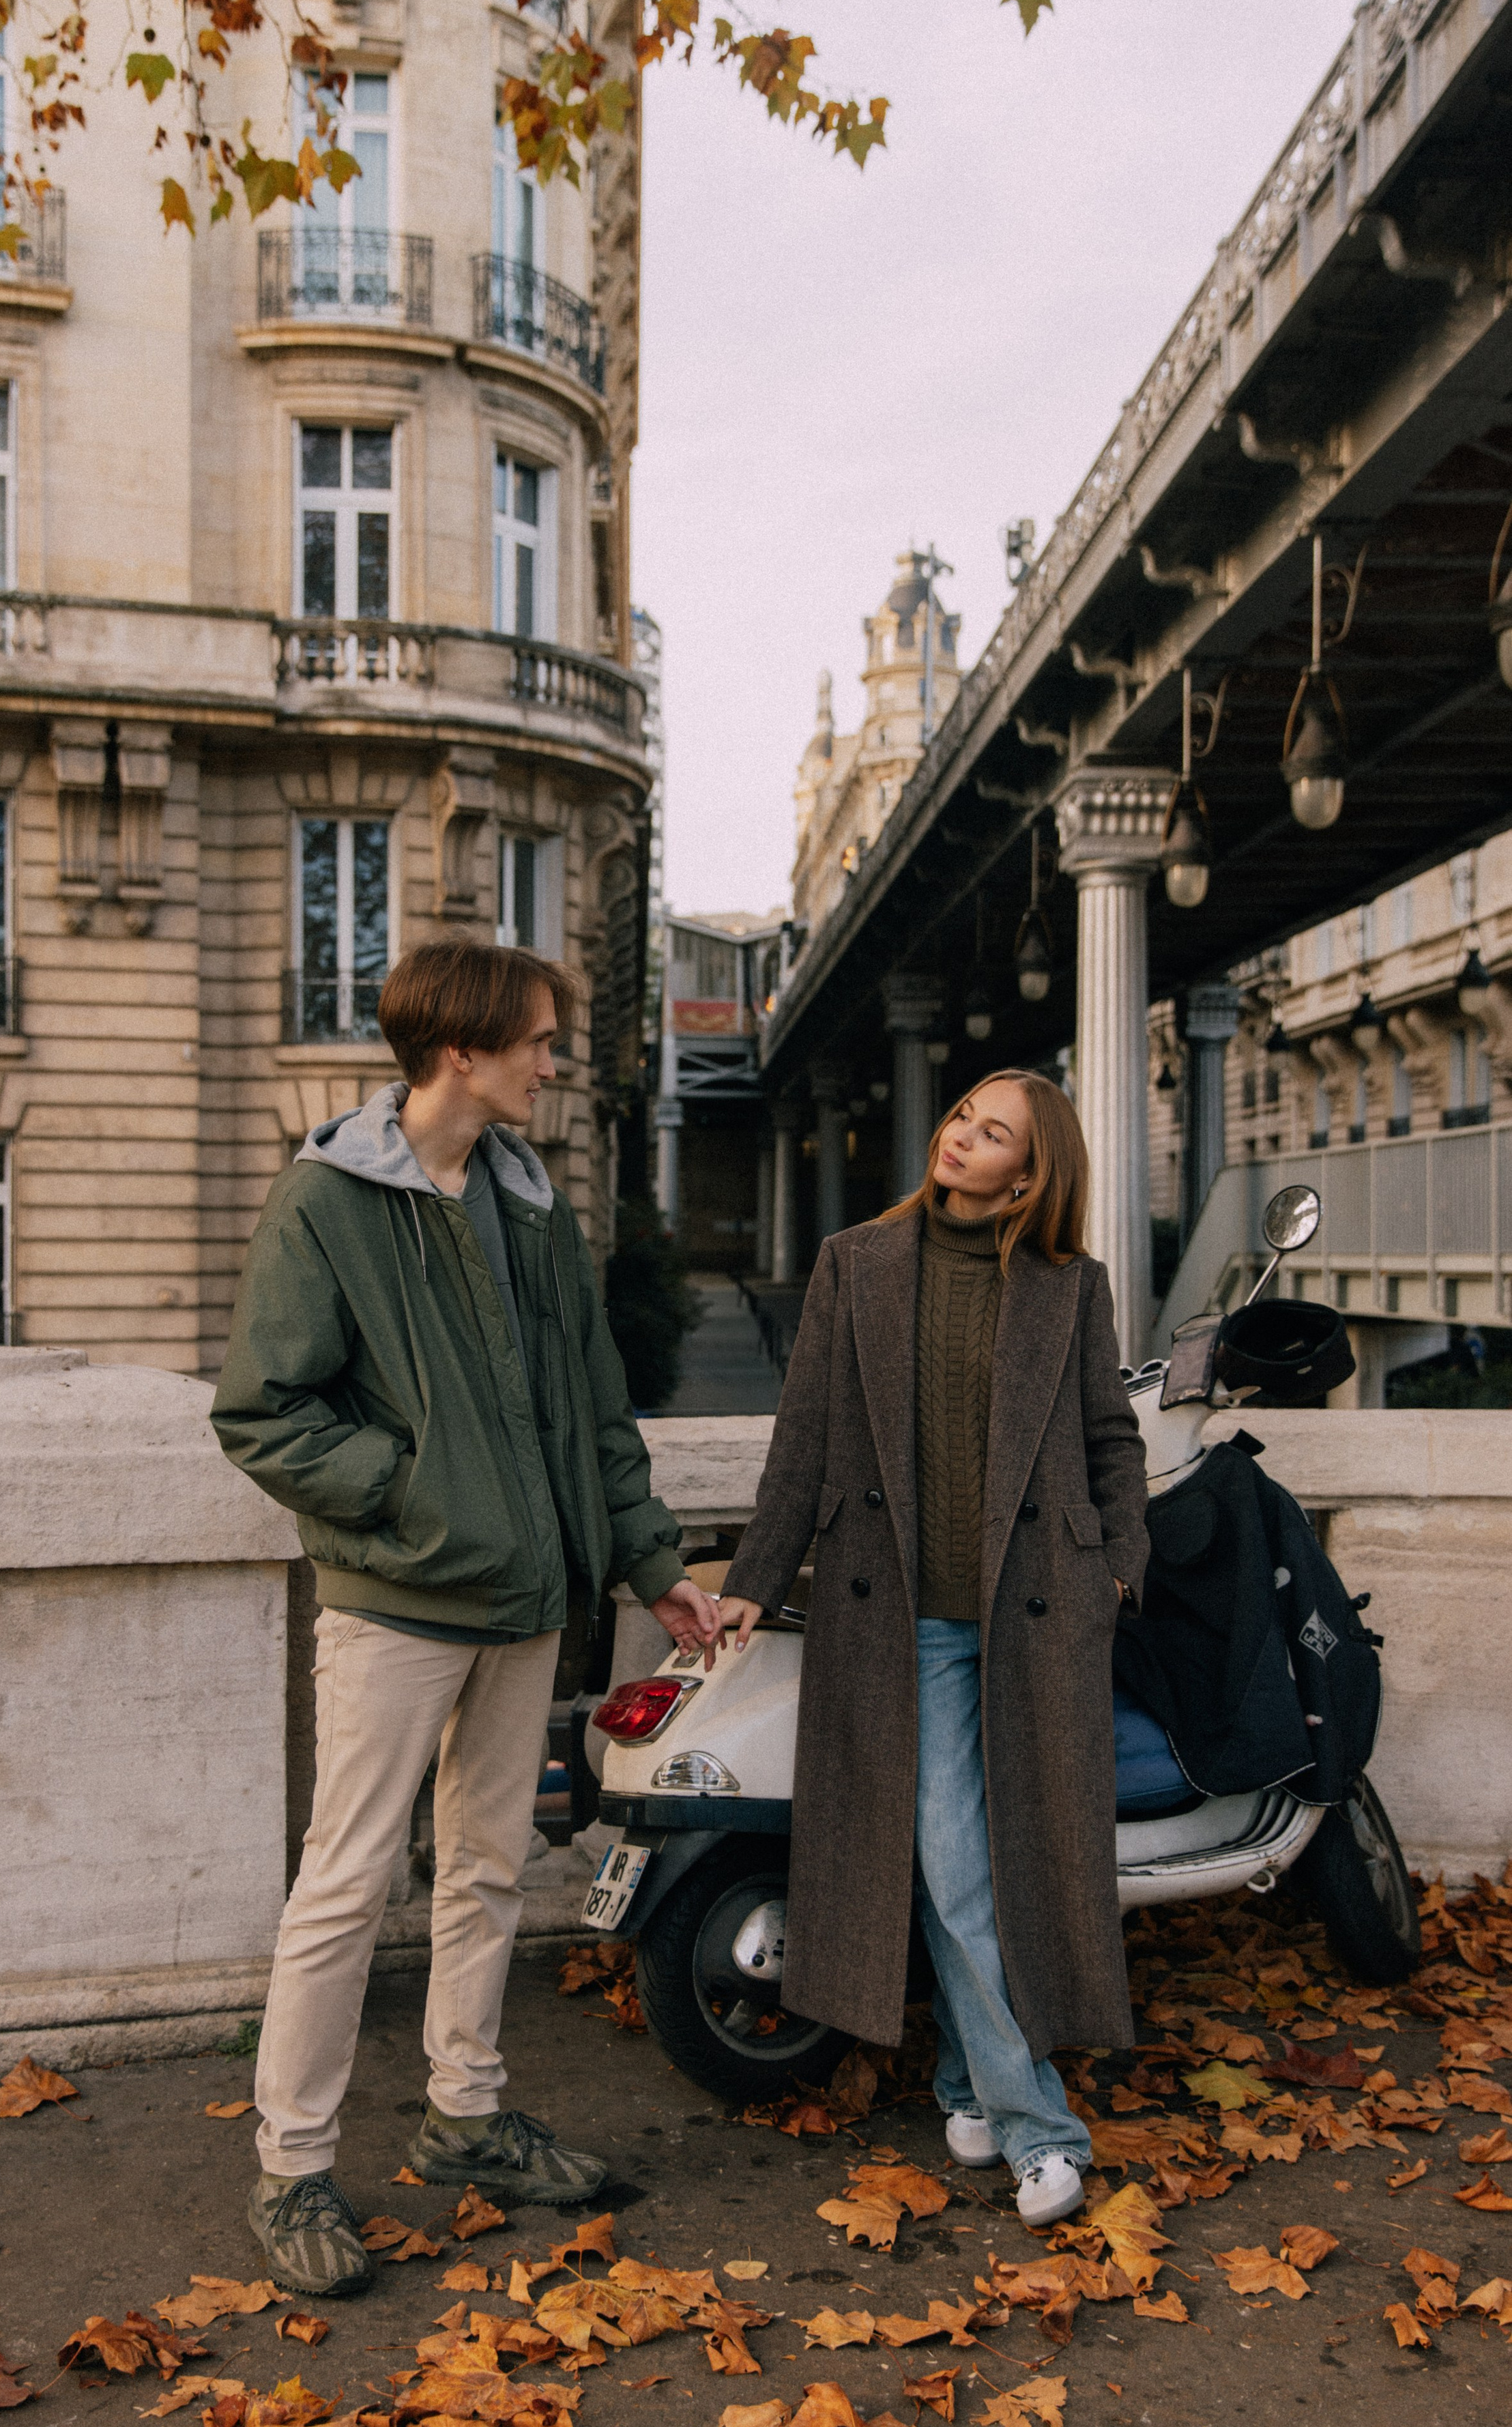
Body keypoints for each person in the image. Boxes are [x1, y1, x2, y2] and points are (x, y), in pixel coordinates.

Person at [212, 940, 723, 2295]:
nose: (556, 1061)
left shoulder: (533, 1203)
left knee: (489, 1865)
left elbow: (593, 1407)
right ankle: (294, 2166)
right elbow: (263, 1411)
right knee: (345, 1882)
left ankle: (466, 2115)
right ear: (462, 1049)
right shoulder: (328, 1200)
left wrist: (646, 1558)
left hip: (531, 1595)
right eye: (540, 1040)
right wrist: (411, 1495)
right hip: (400, 1602)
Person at [718, 1072, 1148, 2229]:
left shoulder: (1071, 1284)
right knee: (959, 1868)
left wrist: (1119, 1563)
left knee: (1007, 1862)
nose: (959, 1136)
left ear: (1032, 1171)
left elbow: (1113, 1437)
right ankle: (1038, 2124)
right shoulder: (856, 1261)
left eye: (992, 1132)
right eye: (959, 1113)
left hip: (1037, 1612)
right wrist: (753, 1581)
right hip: (903, 1618)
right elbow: (801, 1437)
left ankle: (968, 2082)